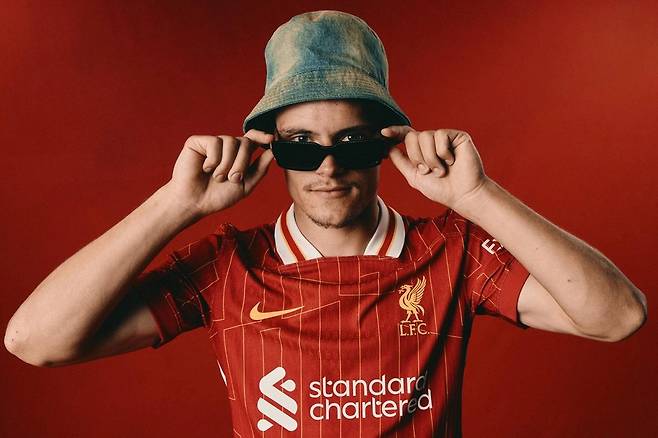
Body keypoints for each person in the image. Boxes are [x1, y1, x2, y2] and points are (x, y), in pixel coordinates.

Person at [4, 10, 647, 437]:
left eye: (354, 141)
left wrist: (478, 196)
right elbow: (35, 340)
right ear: (269, 149)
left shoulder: (453, 253)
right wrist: (176, 205)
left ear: (387, 142)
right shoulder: (228, 267)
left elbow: (617, 317)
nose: (329, 166)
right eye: (302, 146)